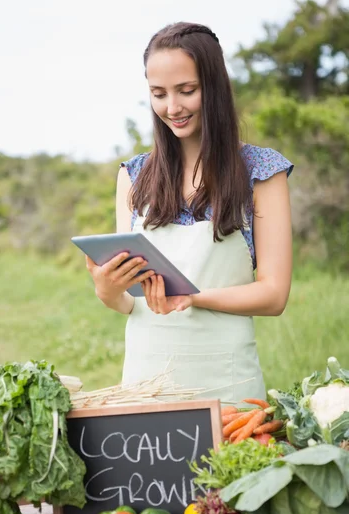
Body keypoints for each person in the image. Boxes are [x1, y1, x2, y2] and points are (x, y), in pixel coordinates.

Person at [86, 22, 293, 401]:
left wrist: (194, 298)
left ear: (213, 87)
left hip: (229, 390)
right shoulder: (133, 176)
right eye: (158, 94)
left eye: (187, 91)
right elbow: (132, 302)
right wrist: (107, 289)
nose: (172, 107)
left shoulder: (262, 172)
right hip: (146, 383)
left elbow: (274, 295)